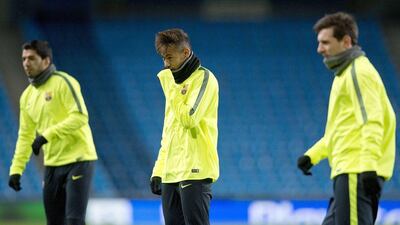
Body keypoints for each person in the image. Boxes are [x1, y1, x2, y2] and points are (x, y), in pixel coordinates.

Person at [297, 12, 396, 225]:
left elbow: (372, 121)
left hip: (357, 171)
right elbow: (340, 129)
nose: (319, 49)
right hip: (347, 171)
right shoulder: (344, 74)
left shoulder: (357, 72)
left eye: (325, 42)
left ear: (346, 41)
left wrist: (369, 167)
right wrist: (312, 156)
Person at [8, 40, 98, 225]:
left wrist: (46, 136)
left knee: (74, 220)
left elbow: (80, 116)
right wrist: (16, 170)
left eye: (31, 58)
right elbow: (25, 136)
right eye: (24, 59)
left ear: (46, 61)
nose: (26, 63)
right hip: (52, 164)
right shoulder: (27, 97)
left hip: (79, 160)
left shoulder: (64, 82)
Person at [149, 28, 219, 225]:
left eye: (169, 57)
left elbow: (189, 119)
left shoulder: (204, 79)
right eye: (163, 58)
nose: (166, 64)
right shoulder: (174, 82)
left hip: (195, 170)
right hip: (170, 172)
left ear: (185, 53)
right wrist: (159, 169)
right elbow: (169, 131)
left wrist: (171, 86)